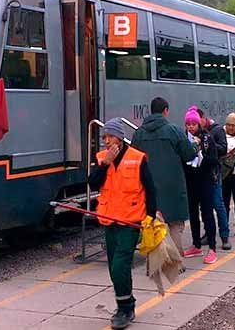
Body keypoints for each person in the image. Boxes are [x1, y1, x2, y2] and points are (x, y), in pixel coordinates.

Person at [88, 118, 157, 329]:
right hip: (109, 220)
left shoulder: (137, 158)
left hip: (131, 221)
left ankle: (125, 309)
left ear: (120, 137)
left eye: (110, 137)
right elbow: (93, 183)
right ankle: (126, 303)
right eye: (104, 137)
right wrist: (105, 163)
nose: (106, 141)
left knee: (119, 265)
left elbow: (151, 189)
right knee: (113, 268)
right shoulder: (102, 158)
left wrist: (150, 218)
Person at [131, 97, 196, 256]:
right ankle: (175, 259)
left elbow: (133, 158)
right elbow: (189, 155)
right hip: (172, 184)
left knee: (153, 222)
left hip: (148, 185)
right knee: (175, 223)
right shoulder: (174, 130)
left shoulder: (139, 133)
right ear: (165, 110)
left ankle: (156, 259)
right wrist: (194, 144)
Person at [181, 107, 218, 264]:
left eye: (193, 124)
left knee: (207, 213)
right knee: (193, 213)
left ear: (199, 124)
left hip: (205, 180)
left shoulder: (206, 138)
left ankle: (212, 247)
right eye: (188, 124)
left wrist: (201, 151)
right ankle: (196, 244)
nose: (191, 127)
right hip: (190, 181)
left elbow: (214, 160)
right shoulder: (183, 139)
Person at [198, 108, 231, 250]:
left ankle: (225, 236)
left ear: (203, 118)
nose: (195, 125)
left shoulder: (217, 130)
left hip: (214, 174)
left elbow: (224, 148)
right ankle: (208, 233)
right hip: (201, 175)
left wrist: (208, 143)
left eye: (197, 122)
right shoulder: (196, 133)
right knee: (205, 207)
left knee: (218, 204)